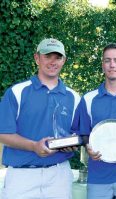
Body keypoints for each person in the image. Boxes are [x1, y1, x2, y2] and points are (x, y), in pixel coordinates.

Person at [0, 38, 81, 198]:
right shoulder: (16, 92)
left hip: (59, 175)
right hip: (22, 178)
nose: (53, 62)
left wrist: (74, 143)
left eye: (57, 57)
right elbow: (3, 133)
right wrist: (34, 146)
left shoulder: (74, 97)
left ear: (63, 60)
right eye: (47, 56)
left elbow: (78, 135)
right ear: (37, 58)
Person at [74, 43, 116, 199]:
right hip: (98, 177)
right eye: (107, 60)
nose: (112, 65)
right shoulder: (88, 99)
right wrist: (87, 146)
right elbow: (84, 133)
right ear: (102, 65)